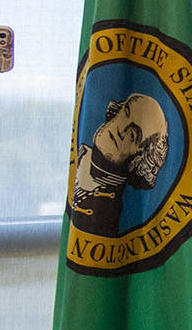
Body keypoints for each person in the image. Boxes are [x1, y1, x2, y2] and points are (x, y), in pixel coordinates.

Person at [70, 93, 171, 236]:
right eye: (125, 113)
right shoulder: (78, 157)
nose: (121, 129)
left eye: (133, 135)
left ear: (137, 160)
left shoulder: (111, 213)